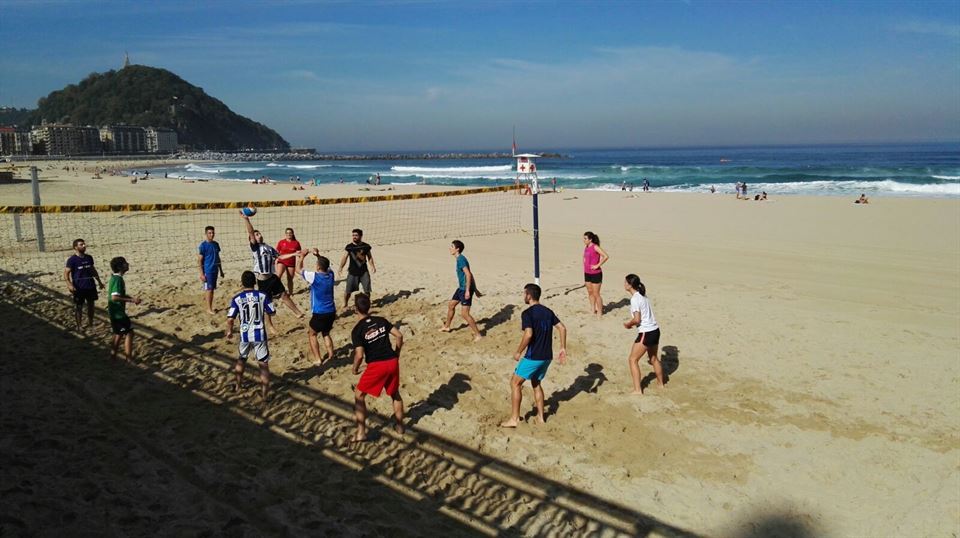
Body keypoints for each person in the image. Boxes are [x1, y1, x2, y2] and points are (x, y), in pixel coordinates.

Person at [500, 283, 567, 427]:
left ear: (529, 296)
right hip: (547, 356)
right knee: (536, 384)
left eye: (524, 294)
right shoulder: (548, 311)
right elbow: (562, 328)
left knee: (515, 383)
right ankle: (541, 417)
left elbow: (528, 334)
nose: (524, 296)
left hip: (534, 356)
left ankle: (514, 418)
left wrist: (519, 351)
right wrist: (562, 347)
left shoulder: (527, 313)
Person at [350, 293, 405, 442]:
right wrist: (397, 354)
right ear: (369, 306)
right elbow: (399, 336)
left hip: (377, 365)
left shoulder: (357, 330)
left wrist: (355, 368)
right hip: (392, 361)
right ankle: (400, 427)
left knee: (359, 395)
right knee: (395, 394)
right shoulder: (381, 320)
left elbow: (359, 355)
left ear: (356, 309)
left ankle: (361, 433)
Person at [226, 270, 277, 409]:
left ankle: (237, 386)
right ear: (255, 282)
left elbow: (230, 319)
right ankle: (265, 395)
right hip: (259, 334)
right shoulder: (262, 295)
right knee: (263, 364)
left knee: (241, 360)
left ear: (242, 283)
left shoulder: (236, 298)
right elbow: (272, 311)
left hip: (245, 335)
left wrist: (229, 331)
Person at [241, 212, 304, 317]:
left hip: (272, 277)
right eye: (256, 235)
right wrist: (246, 220)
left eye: (259, 233)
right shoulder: (255, 247)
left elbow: (280, 257)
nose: (259, 235)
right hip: (263, 280)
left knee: (284, 295)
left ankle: (298, 313)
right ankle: (270, 326)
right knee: (266, 304)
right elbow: (251, 232)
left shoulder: (268, 247)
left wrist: (294, 253)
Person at [623, 274, 663, 394]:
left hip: (647, 332)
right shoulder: (643, 295)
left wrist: (628, 324)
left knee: (632, 360)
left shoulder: (635, 299)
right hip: (655, 330)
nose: (624, 284)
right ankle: (661, 384)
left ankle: (637, 390)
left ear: (630, 285)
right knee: (654, 358)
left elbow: (637, 319)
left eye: (625, 282)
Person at [298, 248, 336, 366]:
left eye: (317, 265)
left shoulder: (314, 276)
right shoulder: (331, 275)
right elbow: (326, 266)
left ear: (318, 267)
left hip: (320, 312)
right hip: (331, 311)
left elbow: (298, 269)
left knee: (312, 334)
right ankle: (331, 355)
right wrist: (318, 255)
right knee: (326, 333)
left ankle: (318, 359)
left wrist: (302, 256)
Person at [440, 240, 482, 341]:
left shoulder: (461, 260)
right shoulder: (459, 259)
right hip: (461, 288)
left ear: (457, 249)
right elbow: (470, 274)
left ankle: (478, 335)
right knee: (451, 305)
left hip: (465, 289)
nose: (450, 248)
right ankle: (447, 326)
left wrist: (469, 290)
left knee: (464, 314)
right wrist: (475, 289)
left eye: (451, 246)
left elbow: (468, 274)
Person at [64, 238, 105, 331]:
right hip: (79, 288)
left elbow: (93, 270)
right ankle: (79, 326)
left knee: (91, 306)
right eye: (81, 244)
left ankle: (90, 324)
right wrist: (69, 284)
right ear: (75, 247)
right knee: (79, 307)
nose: (84, 246)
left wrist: (99, 281)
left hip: (90, 286)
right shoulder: (72, 260)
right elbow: (66, 273)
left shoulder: (89, 257)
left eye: (84, 244)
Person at [107, 257, 141, 361]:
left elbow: (119, 294)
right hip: (118, 313)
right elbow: (114, 297)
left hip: (114, 312)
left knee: (118, 333)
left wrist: (130, 298)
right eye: (125, 263)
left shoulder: (114, 278)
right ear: (120, 267)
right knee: (129, 332)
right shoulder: (118, 280)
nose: (128, 264)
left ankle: (113, 356)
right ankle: (129, 358)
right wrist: (131, 301)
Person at [338, 229, 375, 313]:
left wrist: (372, 266)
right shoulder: (349, 247)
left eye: (356, 235)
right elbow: (345, 257)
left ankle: (366, 305)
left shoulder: (366, 246)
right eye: (353, 235)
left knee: (367, 290)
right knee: (348, 291)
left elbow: (369, 257)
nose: (354, 237)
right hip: (352, 272)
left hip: (364, 272)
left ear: (361, 236)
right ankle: (345, 304)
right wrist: (341, 267)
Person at [198, 226, 224, 314]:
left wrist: (221, 270)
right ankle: (209, 309)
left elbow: (218, 258)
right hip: (208, 271)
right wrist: (201, 274)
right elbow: (199, 260)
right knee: (209, 289)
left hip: (215, 270)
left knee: (211, 289)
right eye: (209, 233)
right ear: (206, 234)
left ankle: (210, 307)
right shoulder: (203, 245)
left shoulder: (216, 244)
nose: (212, 234)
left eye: (213, 233)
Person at [582, 231, 609, 319]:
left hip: (596, 273)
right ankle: (593, 309)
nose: (584, 240)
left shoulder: (595, 247)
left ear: (590, 239)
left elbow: (606, 256)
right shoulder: (586, 247)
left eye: (585, 238)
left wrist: (597, 265)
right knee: (590, 292)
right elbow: (584, 257)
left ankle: (600, 312)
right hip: (587, 273)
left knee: (596, 293)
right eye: (584, 238)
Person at [276, 227, 302, 293]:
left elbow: (299, 254)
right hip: (282, 261)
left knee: (290, 279)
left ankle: (290, 293)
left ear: (293, 234)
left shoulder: (296, 243)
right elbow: (277, 252)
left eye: (290, 233)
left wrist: (300, 262)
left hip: (291, 263)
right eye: (287, 233)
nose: (289, 234)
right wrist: (275, 260)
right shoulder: (281, 242)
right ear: (285, 234)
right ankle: (277, 291)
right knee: (278, 277)